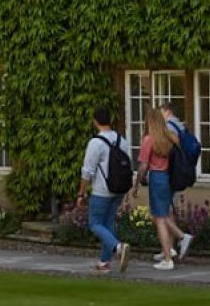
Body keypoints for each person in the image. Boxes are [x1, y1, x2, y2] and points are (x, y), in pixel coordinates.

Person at [74, 106, 131, 273]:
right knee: (108, 223)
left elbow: (87, 171)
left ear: (95, 122)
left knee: (95, 223)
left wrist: (81, 193)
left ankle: (118, 247)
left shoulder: (95, 143)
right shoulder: (122, 141)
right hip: (119, 188)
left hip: (102, 189)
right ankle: (104, 262)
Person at [132, 107, 181, 271]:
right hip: (167, 177)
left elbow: (143, 165)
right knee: (165, 213)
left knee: (159, 218)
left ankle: (168, 257)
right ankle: (170, 248)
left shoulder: (149, 140)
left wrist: (136, 184)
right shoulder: (169, 137)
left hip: (156, 178)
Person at [158, 101, 195, 262]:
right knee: (167, 209)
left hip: (170, 172)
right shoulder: (180, 125)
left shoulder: (170, 126)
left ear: (166, 111)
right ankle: (168, 247)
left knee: (162, 211)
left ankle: (177, 241)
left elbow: (168, 148)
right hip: (176, 171)